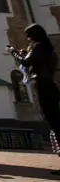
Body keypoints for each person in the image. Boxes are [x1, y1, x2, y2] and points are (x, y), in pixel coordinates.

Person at [8, 23, 60, 176]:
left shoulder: (37, 46)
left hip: (43, 87)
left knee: (55, 123)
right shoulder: (49, 49)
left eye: (29, 36)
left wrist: (13, 52)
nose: (28, 39)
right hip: (50, 86)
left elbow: (26, 62)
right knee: (56, 121)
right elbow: (34, 61)